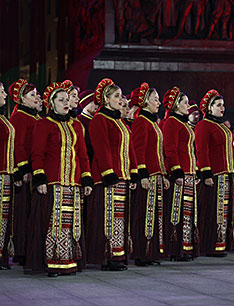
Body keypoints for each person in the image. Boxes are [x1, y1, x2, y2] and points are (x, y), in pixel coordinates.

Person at [26, 82, 93, 277]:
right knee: (53, 224)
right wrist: (40, 178)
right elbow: (37, 154)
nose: (66, 103)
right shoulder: (44, 124)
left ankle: (69, 261)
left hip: (73, 184)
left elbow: (82, 155)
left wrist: (86, 178)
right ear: (51, 103)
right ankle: (52, 262)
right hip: (53, 183)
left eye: (67, 100)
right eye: (61, 100)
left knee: (71, 224)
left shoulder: (77, 125)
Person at [86, 78, 139, 271]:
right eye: (116, 96)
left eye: (121, 96)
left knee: (120, 218)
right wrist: (109, 173)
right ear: (106, 99)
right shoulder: (100, 119)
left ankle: (118, 254)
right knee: (109, 219)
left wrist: (133, 172)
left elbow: (130, 148)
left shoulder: (120, 121)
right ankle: (107, 256)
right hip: (108, 178)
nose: (121, 99)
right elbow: (102, 148)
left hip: (122, 177)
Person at [195, 89, 234, 257]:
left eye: (223, 105)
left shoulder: (222, 126)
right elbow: (202, 151)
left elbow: (230, 151)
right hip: (214, 176)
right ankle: (210, 245)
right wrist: (206, 173)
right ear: (209, 107)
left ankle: (221, 244)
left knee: (224, 211)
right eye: (218, 105)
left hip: (226, 175)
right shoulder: (203, 125)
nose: (222, 108)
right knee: (212, 211)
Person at [130, 83, 170, 266]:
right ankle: (142, 253)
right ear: (146, 102)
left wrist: (164, 173)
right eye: (155, 99)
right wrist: (143, 174)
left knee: (155, 216)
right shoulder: (141, 121)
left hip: (157, 175)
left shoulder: (153, 122)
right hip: (149, 176)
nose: (159, 103)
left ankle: (153, 252)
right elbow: (139, 150)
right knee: (145, 215)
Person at [162, 86, 199, 261]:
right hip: (181, 174)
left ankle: (186, 246)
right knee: (177, 212)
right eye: (184, 102)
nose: (187, 105)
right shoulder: (172, 122)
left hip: (189, 173)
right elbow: (170, 149)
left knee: (188, 212)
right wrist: (176, 171)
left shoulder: (183, 123)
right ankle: (176, 248)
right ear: (176, 105)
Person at [8, 79, 43, 266]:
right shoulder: (20, 117)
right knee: (23, 211)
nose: (37, 98)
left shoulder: (34, 116)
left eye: (37, 94)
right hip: (27, 172)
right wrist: (25, 169)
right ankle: (21, 250)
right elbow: (18, 146)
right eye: (32, 95)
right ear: (21, 99)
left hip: (36, 169)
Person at [0, 82, 16, 269]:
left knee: (4, 217)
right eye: (2, 91)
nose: (5, 95)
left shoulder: (3, 118)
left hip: (6, 174)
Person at [77, 89, 99, 164]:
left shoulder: (97, 121)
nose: (97, 105)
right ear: (86, 104)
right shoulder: (78, 121)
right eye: (94, 103)